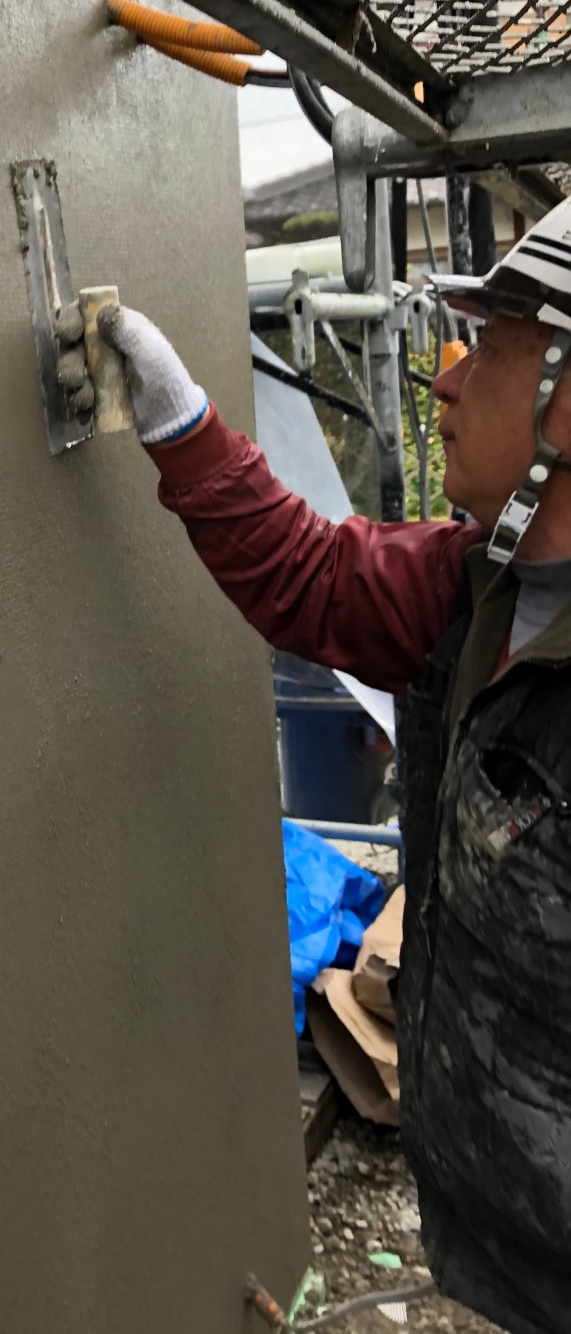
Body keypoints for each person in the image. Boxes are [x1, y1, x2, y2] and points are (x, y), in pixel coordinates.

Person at [101, 202, 571, 1334]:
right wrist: (180, 422)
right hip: (500, 1237)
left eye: (489, 350)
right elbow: (312, 578)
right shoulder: (478, 588)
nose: (444, 382)